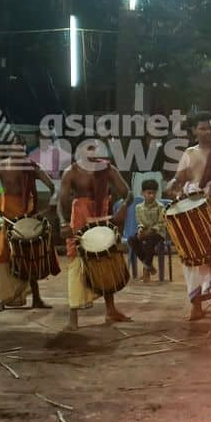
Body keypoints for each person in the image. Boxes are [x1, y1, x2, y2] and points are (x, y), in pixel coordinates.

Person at [167, 112, 211, 320]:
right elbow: (179, 179)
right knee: (193, 258)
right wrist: (172, 185)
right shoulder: (189, 153)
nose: (207, 132)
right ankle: (196, 306)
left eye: (210, 128)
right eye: (202, 128)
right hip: (193, 209)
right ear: (194, 131)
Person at [58, 140, 132, 331]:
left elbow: (127, 193)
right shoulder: (71, 172)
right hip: (80, 219)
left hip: (102, 217)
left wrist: (123, 207)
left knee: (105, 258)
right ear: (79, 151)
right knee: (77, 262)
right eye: (87, 148)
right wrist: (63, 222)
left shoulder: (107, 169)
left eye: (95, 148)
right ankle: (73, 316)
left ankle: (110, 310)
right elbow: (61, 201)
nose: (92, 152)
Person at [0, 134, 58, 311]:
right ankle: (1, 300)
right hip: (6, 216)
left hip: (26, 217)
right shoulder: (1, 166)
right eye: (15, 147)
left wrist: (53, 202)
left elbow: (52, 186)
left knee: (29, 256)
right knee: (3, 256)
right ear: (10, 149)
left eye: (22, 148)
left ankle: (37, 299)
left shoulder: (31, 167)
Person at [128, 179, 166, 283]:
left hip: (157, 233)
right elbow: (139, 222)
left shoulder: (160, 207)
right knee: (132, 239)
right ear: (142, 193)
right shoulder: (138, 207)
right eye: (149, 193)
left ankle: (146, 270)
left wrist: (150, 231)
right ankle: (149, 265)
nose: (152, 195)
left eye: (154, 193)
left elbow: (161, 223)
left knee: (150, 239)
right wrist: (140, 230)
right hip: (145, 232)